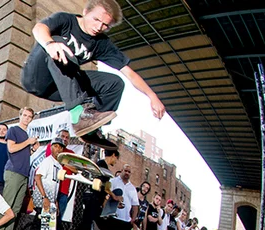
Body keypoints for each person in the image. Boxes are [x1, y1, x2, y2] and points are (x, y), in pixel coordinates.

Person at [21, 0, 165, 143]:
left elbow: (129, 73)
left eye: (105, 25)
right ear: (85, 12)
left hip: (60, 86)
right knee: (60, 42)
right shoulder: (66, 20)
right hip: (35, 77)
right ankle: (78, 115)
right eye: (96, 19)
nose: (98, 27)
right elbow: (38, 28)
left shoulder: (101, 43)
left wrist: (152, 96)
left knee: (115, 83)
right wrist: (50, 43)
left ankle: (90, 129)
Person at [19, 137, 65, 230]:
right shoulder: (47, 161)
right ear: (51, 147)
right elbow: (38, 177)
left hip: (50, 199)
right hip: (43, 198)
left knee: (38, 227)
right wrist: (44, 197)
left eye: (60, 147)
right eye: (55, 146)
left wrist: (54, 200)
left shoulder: (59, 165)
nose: (58, 149)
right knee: (42, 228)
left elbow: (55, 184)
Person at [0, 108, 37, 230]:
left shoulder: (27, 134)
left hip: (24, 172)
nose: (27, 118)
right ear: (20, 116)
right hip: (13, 171)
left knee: (16, 206)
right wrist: (28, 143)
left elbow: (23, 154)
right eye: (24, 115)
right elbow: (11, 148)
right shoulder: (14, 130)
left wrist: (32, 149)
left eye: (29, 116)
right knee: (8, 202)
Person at [97, 163, 138, 230]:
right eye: (125, 171)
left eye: (129, 172)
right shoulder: (114, 181)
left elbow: (135, 205)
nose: (127, 173)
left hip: (125, 219)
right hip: (113, 216)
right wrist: (113, 197)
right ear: (122, 170)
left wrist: (133, 219)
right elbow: (106, 190)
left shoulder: (132, 188)